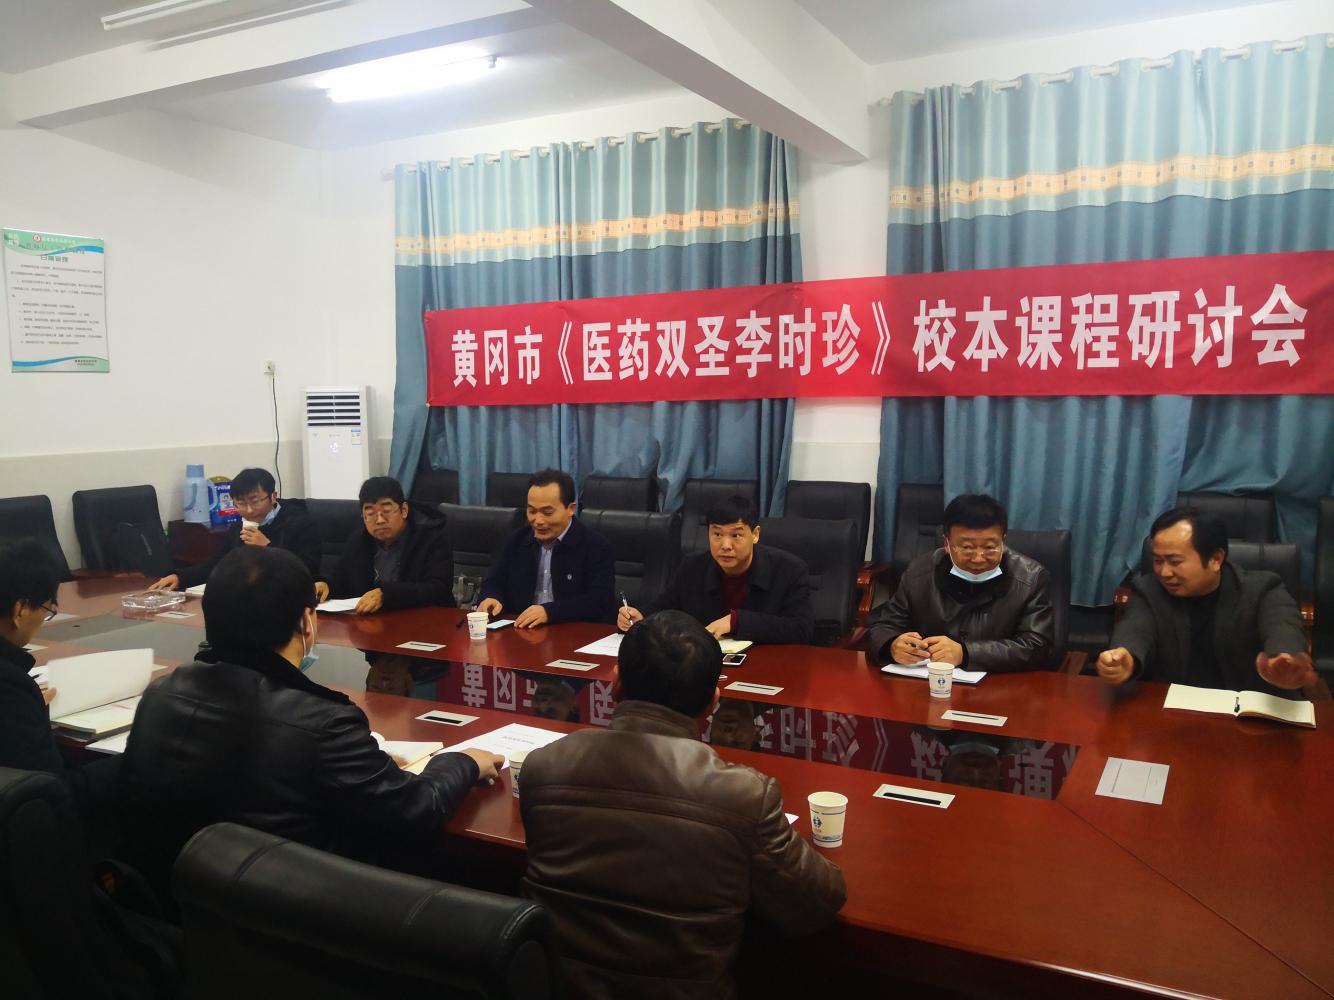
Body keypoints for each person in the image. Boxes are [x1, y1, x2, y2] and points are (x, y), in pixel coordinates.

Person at [118, 546, 502, 908]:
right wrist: (462, 762)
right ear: (307, 621)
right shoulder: (323, 723)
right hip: (287, 920)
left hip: (168, 907)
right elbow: (417, 810)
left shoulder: (162, 694)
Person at [520, 610, 846, 999]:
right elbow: (818, 903)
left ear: (615, 683)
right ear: (712, 703)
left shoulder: (542, 767)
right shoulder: (743, 796)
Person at [1097, 507, 1316, 696]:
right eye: (1157, 560)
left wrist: (1284, 657)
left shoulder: (1262, 589)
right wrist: (1126, 658)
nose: (1164, 572)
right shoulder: (1148, 590)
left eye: (1174, 561)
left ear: (1215, 559)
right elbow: (1135, 629)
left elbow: (1282, 625)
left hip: (1242, 712)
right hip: (1171, 712)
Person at [866, 494, 1056, 671]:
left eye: (990, 547)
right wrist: (892, 645)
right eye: (967, 548)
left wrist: (965, 653)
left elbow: (1037, 646)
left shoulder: (1031, 578)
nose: (979, 558)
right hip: (930, 683)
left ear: (1003, 541)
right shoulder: (919, 572)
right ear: (947, 544)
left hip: (1003, 685)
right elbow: (884, 626)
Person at [618, 495, 814, 644]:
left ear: (755, 534)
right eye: (717, 534)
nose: (725, 546)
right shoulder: (693, 567)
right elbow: (666, 606)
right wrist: (640, 617)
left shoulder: (789, 570)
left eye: (736, 536)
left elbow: (801, 628)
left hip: (767, 665)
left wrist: (737, 622)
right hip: (704, 665)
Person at [476, 469, 615, 628]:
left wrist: (549, 612)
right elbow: (494, 581)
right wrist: (491, 597)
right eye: (532, 511)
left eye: (547, 512)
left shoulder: (595, 546)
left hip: (573, 633)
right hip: (522, 631)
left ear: (571, 509)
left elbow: (599, 600)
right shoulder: (516, 541)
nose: (538, 520)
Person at [149, 467, 320, 591]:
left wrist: (267, 548)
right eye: (241, 503)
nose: (249, 510)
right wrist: (180, 577)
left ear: (273, 497)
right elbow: (218, 564)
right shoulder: (239, 526)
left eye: (255, 501)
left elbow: (306, 571)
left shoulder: (301, 523)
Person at [318, 475, 454, 612]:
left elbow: (438, 589)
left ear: (404, 510)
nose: (380, 520)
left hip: (424, 618)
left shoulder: (431, 537)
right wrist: (328, 585)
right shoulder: (359, 540)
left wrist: (387, 594)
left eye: (386, 512)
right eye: (370, 514)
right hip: (373, 620)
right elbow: (342, 577)